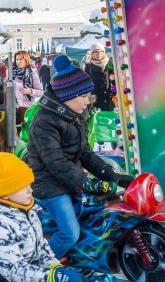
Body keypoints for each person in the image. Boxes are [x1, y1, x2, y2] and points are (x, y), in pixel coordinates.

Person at [27, 55, 134, 259]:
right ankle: (40, 267)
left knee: (97, 214)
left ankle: (81, 260)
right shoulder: (44, 122)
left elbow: (84, 153)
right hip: (49, 186)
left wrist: (112, 175)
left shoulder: (74, 116)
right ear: (68, 96)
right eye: (83, 96)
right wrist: (86, 182)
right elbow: (55, 162)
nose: (87, 101)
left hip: (68, 181)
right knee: (69, 233)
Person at [0, 152, 89, 282]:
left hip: (24, 268)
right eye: (22, 187)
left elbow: (41, 246)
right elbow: (13, 270)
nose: (30, 190)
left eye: (29, 184)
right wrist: (52, 277)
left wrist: (55, 267)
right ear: (5, 194)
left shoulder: (25, 209)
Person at [12, 50, 43, 127]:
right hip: (13, 108)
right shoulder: (10, 72)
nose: (18, 61)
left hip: (26, 109)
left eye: (21, 59)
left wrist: (30, 91)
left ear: (26, 59)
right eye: (17, 59)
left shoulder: (32, 74)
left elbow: (40, 92)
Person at [84, 42, 116, 112]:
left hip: (108, 98)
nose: (99, 54)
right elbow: (85, 83)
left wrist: (113, 93)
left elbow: (115, 82)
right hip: (95, 98)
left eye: (101, 51)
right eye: (96, 52)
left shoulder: (109, 64)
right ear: (92, 54)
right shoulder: (89, 66)